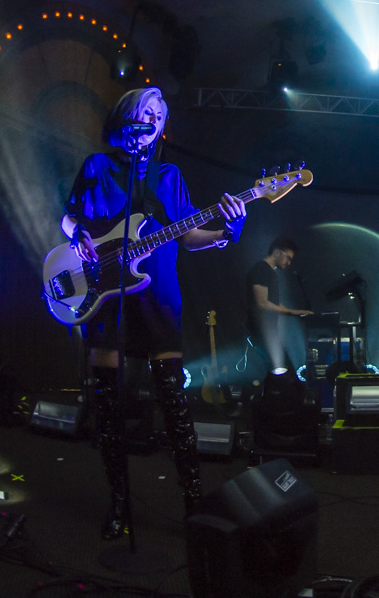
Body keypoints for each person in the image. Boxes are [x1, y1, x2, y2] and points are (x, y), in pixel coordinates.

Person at [61, 86, 245, 540]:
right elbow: (70, 218)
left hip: (158, 297)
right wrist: (76, 238)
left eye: (161, 113)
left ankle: (194, 504)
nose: (156, 117)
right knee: (108, 409)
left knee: (174, 407)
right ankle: (119, 503)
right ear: (128, 117)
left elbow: (188, 235)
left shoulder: (169, 175)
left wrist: (225, 231)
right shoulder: (97, 166)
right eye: (148, 109)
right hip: (106, 297)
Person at [246, 237, 313, 361]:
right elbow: (262, 303)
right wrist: (294, 312)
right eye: (288, 258)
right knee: (282, 373)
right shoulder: (261, 269)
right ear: (277, 252)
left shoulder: (269, 272)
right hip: (261, 335)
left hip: (267, 334)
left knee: (281, 372)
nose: (289, 263)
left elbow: (273, 302)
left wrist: (299, 312)